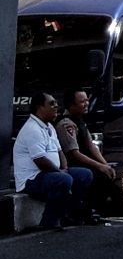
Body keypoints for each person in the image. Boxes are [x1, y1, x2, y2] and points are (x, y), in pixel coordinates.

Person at [12, 91, 93, 231]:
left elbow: (60, 151)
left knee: (85, 175)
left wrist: (65, 168)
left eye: (56, 103)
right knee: (64, 180)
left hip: (50, 173)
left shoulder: (49, 126)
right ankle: (49, 221)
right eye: (51, 104)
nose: (56, 106)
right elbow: (40, 160)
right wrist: (61, 173)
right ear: (39, 107)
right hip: (31, 179)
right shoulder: (32, 129)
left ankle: (67, 214)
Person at [57, 88, 116, 220]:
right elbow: (73, 153)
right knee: (95, 175)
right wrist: (99, 167)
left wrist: (105, 165)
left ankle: (95, 210)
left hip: (84, 162)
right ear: (71, 105)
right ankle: (84, 212)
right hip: (73, 164)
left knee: (107, 174)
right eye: (82, 102)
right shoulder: (66, 124)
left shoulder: (80, 121)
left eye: (87, 101)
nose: (86, 104)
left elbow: (91, 146)